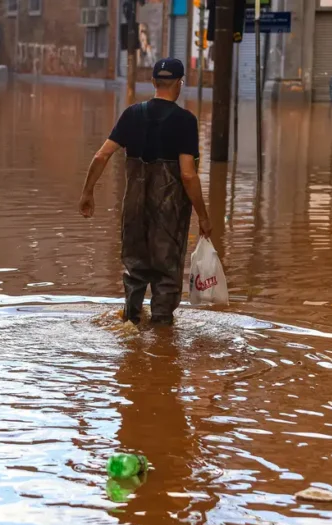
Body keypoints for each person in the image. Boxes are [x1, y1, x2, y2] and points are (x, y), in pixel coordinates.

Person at [78, 58, 210, 325]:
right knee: (166, 275)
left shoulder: (131, 115)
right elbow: (187, 174)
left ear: (153, 83)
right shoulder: (185, 121)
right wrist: (203, 215)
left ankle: (131, 326)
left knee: (135, 271)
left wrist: (87, 193)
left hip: (134, 210)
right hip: (169, 215)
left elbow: (101, 155)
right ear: (179, 84)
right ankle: (162, 343)